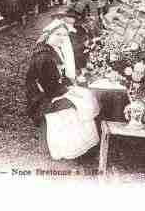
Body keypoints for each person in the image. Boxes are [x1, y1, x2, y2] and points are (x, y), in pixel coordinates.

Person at [25, 20, 99, 160]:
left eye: (64, 36)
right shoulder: (44, 56)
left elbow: (59, 77)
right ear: (48, 35)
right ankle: (73, 147)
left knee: (86, 96)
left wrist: (69, 85)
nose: (61, 38)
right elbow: (50, 87)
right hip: (41, 98)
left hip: (51, 91)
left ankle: (85, 145)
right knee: (79, 103)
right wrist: (69, 90)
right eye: (58, 34)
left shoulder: (53, 50)